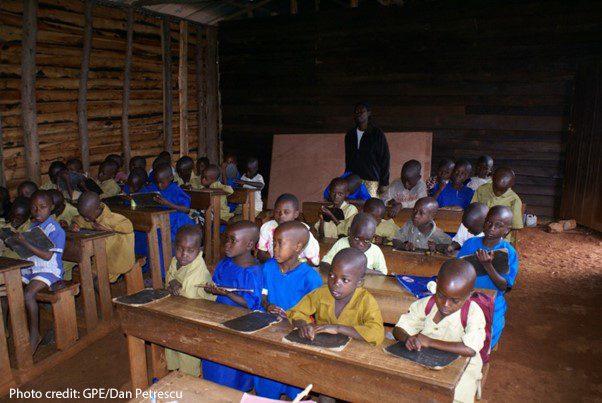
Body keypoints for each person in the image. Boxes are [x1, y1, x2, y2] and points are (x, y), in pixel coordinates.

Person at [393, 259, 486, 403]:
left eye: (455, 301)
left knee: (455, 398)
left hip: (463, 368)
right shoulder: (427, 305)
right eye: (441, 295)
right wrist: (407, 338)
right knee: (402, 389)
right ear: (436, 287)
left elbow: (470, 349)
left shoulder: (472, 313)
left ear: (469, 295)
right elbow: (399, 329)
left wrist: (429, 342)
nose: (445, 305)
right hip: (427, 361)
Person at [255, 221, 323, 400]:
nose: (274, 248)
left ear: (297, 247)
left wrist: (298, 319)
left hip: (296, 333)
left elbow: (318, 312)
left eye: (279, 243)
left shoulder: (310, 277)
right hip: (270, 330)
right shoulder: (268, 267)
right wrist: (266, 305)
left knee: (296, 378)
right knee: (268, 372)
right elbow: (263, 294)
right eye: (273, 242)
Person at [203, 221, 262, 391]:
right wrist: (212, 289)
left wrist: (227, 293)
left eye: (233, 241)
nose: (226, 245)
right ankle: (213, 387)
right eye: (226, 239)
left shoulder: (253, 271)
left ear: (249, 244)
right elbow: (216, 284)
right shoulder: (225, 263)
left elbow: (252, 303)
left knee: (232, 361)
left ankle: (234, 391)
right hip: (219, 315)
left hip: (241, 321)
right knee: (213, 352)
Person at [288, 248, 384, 346]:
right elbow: (295, 312)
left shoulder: (365, 301)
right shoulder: (322, 293)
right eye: (332, 275)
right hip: (322, 347)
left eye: (345, 280)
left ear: (359, 282)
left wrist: (338, 328)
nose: (335, 283)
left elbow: (377, 332)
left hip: (352, 351)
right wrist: (303, 325)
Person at [458, 206, 518, 348]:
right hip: (466, 298)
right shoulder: (470, 244)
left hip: (492, 302)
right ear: (484, 222)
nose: (492, 228)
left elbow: (504, 286)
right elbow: (458, 270)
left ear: (507, 230)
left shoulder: (509, 252)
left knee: (483, 339)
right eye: (489, 223)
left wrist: (488, 266)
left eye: (499, 225)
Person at [17, 190, 66, 353]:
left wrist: (26, 244)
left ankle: (34, 334)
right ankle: (8, 329)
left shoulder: (56, 229)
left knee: (29, 294)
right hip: (33, 266)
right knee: (9, 288)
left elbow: (47, 255)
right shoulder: (33, 226)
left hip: (50, 270)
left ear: (51, 208)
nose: (37, 212)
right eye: (33, 208)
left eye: (42, 207)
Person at [164, 225, 216, 377]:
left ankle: (189, 376)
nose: (183, 255)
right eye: (180, 249)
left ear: (200, 251)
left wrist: (173, 285)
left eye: (190, 250)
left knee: (188, 346)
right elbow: (168, 277)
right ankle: (175, 371)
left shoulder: (198, 266)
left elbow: (189, 293)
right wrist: (172, 282)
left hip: (196, 313)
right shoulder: (175, 261)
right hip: (178, 309)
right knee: (172, 340)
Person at [72, 191, 135, 283]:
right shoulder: (89, 215)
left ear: (97, 208)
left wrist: (108, 229)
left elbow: (129, 227)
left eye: (87, 216)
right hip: (100, 259)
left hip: (117, 259)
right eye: (83, 216)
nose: (86, 219)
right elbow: (77, 220)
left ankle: (105, 296)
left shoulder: (113, 218)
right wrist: (74, 225)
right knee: (86, 277)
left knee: (97, 280)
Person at [257, 193, 320, 266]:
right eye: (277, 211)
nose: (281, 215)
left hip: (298, 269)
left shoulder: (303, 232)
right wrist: (274, 264)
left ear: (296, 214)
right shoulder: (267, 227)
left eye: (286, 212)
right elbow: (261, 254)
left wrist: (293, 264)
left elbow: (314, 262)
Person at [344, 102, 390, 197]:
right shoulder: (350, 135)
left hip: (372, 180)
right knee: (353, 208)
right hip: (353, 180)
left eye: (362, 111)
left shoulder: (377, 133)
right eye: (357, 112)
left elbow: (385, 158)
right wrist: (346, 177)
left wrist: (384, 182)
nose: (359, 113)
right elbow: (348, 159)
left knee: (370, 208)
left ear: (369, 113)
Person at [321, 213, 387, 275]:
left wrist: (365, 271)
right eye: (357, 238)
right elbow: (324, 263)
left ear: (372, 238)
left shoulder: (375, 251)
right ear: (349, 231)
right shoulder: (341, 243)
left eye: (367, 240)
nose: (361, 244)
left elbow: (383, 273)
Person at [471, 167, 523, 240]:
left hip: (501, 238)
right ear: (492, 178)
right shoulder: (482, 190)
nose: (498, 193)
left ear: (511, 184)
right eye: (495, 188)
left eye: (502, 191)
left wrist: (497, 238)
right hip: (478, 232)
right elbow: (473, 210)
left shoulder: (514, 200)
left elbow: (515, 227)